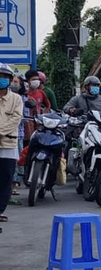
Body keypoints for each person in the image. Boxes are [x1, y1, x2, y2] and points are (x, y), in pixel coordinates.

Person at [0, 63, 23, 224]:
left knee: (6, 178)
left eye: (5, 77)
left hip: (8, 144)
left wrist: (0, 132)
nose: (2, 80)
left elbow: (16, 119)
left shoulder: (16, 99)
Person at [9, 75, 29, 196]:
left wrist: (10, 121)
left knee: (17, 160)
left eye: (16, 82)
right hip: (3, 134)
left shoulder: (24, 100)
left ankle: (15, 183)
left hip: (17, 134)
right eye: (12, 81)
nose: (13, 83)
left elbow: (23, 119)